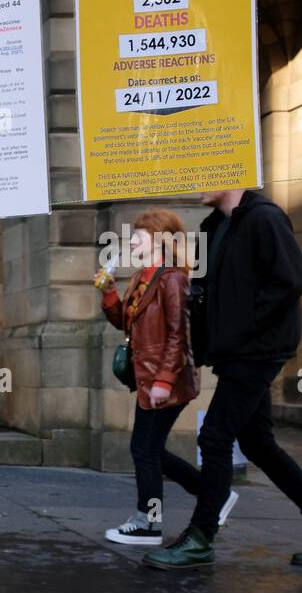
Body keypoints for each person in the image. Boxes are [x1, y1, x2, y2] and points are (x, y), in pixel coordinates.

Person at [144, 189, 302, 570]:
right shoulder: (216, 226)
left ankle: (201, 537)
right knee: (257, 442)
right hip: (236, 351)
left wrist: (244, 327)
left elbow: (290, 280)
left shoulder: (263, 218)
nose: (191, 184)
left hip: (257, 350)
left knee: (215, 436)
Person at [96, 210, 236, 546]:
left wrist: (164, 380)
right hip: (148, 378)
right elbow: (124, 324)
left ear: (160, 240)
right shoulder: (142, 277)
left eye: (139, 236)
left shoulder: (172, 278)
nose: (131, 241)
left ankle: (148, 523)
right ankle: (213, 495)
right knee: (150, 450)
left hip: (164, 379)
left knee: (143, 450)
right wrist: (109, 293)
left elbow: (179, 334)